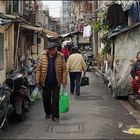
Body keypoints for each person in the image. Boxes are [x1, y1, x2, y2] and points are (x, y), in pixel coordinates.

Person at [35, 42, 67, 121]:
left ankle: (55, 115)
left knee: (55, 99)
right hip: (45, 82)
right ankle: (48, 113)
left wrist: (64, 82)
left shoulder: (61, 57)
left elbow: (64, 70)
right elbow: (38, 69)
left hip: (56, 82)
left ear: (55, 49)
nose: (50, 51)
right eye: (49, 50)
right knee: (46, 99)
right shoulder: (42, 57)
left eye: (52, 50)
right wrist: (37, 81)